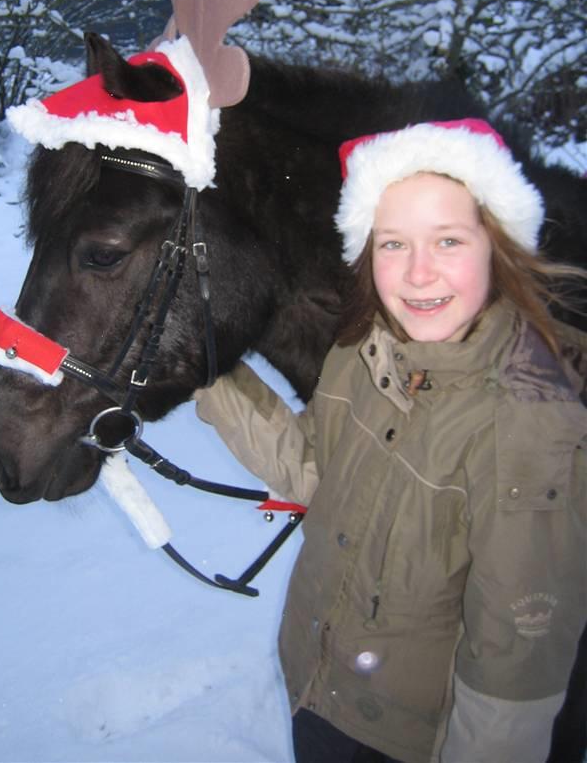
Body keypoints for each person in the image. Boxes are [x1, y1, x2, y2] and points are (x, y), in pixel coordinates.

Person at [195, 119, 587, 763]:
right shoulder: (361, 352)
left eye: (449, 241)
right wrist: (209, 375)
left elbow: (512, 677)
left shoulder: (528, 428)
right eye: (394, 243)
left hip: (407, 741)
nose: (418, 273)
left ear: (498, 244)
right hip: (317, 691)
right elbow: (314, 471)